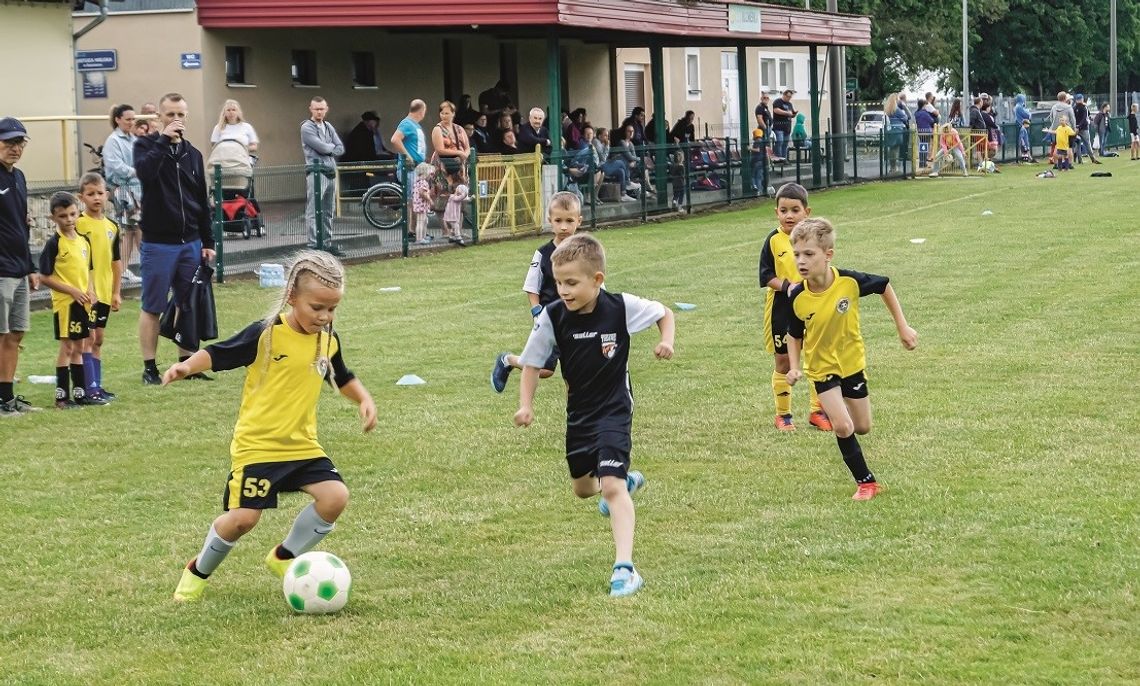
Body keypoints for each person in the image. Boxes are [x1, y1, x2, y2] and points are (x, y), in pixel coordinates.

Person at [167, 250, 377, 602]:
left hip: (303, 446)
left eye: (332, 309)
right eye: (317, 308)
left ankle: (284, 557)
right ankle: (197, 570)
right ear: (292, 296)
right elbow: (220, 353)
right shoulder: (267, 334)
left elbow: (341, 377)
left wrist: (364, 399)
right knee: (243, 520)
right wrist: (187, 366)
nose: (325, 317)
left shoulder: (327, 340)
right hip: (259, 447)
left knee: (335, 497)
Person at [512, 233, 675, 597]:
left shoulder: (620, 307)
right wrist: (526, 405)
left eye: (571, 283)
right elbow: (531, 363)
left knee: (612, 487)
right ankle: (620, 482)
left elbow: (665, 313)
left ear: (597, 280)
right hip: (579, 413)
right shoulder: (552, 317)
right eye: (558, 283)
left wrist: (667, 340)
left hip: (615, 408)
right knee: (584, 489)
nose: (563, 291)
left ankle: (625, 569)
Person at [784, 218, 917, 501]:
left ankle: (840, 407)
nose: (801, 261)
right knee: (843, 426)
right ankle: (866, 482)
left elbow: (884, 286)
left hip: (852, 363)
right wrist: (795, 367)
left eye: (809, 254)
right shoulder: (796, 295)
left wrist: (902, 327)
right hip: (821, 369)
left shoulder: (849, 281)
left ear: (828, 254)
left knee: (863, 427)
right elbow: (794, 334)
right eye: (797, 254)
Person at [133, 92, 216, 386]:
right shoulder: (146, 147)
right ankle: (149, 367)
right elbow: (145, 174)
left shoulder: (193, 154)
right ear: (159, 118)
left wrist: (208, 242)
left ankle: (186, 363)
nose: (176, 120)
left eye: (181, 115)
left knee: (188, 302)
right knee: (153, 305)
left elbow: (201, 202)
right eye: (170, 115)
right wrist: (162, 141)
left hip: (191, 242)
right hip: (158, 243)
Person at [491, 191, 584, 391]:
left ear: (579, 221)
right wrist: (536, 312)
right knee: (543, 370)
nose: (564, 226)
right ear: (550, 220)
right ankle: (508, 360)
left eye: (569, 220)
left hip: (578, 322)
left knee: (576, 374)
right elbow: (532, 287)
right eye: (558, 220)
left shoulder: (585, 252)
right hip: (550, 320)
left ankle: (577, 418)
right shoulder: (543, 254)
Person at [758, 183, 829, 432]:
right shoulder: (774, 240)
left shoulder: (816, 240)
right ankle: (783, 415)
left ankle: (817, 411)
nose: (789, 215)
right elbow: (766, 276)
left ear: (806, 212)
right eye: (784, 210)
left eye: (795, 210)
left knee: (816, 357)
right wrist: (787, 286)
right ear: (776, 212)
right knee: (783, 361)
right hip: (781, 309)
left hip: (811, 305)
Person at [37, 192, 107, 409]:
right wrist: (72, 291)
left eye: (72, 214)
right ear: (53, 218)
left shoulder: (84, 241)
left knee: (80, 346)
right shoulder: (54, 244)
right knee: (67, 348)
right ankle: (61, 398)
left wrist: (90, 290)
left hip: (83, 304)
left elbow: (88, 270)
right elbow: (44, 277)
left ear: (77, 213)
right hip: (65, 304)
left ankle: (80, 393)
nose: (68, 219)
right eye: (63, 216)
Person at [0, 118, 40, 416]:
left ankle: (7, 398)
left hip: (18, 268)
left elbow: (21, 226)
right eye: (9, 142)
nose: (15, 148)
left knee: (15, 334)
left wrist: (30, 267)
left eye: (19, 143)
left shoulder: (19, 177)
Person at [75, 173, 122, 402]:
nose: (96, 198)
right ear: (81, 197)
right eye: (90, 194)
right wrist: (87, 287)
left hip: (104, 291)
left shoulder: (112, 226)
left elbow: (116, 262)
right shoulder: (79, 224)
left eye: (100, 193)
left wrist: (116, 292)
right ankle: (88, 387)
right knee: (88, 338)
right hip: (87, 292)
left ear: (107, 195)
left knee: (99, 338)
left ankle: (97, 385)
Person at [102, 104, 142, 284]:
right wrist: (135, 171)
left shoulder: (132, 138)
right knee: (130, 230)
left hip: (137, 189)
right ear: (118, 120)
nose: (131, 122)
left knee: (133, 229)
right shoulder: (113, 140)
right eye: (128, 119)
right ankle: (124, 269)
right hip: (123, 190)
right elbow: (114, 165)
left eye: (133, 119)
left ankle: (125, 268)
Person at [300, 96, 345, 256]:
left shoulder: (328, 126)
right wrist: (330, 148)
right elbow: (321, 147)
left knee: (328, 209)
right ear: (311, 109)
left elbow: (340, 147)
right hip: (316, 173)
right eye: (316, 109)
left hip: (330, 172)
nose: (319, 112)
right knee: (313, 209)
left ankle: (326, 243)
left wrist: (329, 148)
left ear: (326, 109)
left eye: (322, 109)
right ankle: (313, 245)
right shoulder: (307, 127)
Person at [431, 100, 471, 183]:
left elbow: (467, 147)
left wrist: (464, 156)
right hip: (444, 165)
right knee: (444, 191)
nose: (444, 116)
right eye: (442, 113)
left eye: (447, 113)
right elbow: (440, 150)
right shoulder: (438, 129)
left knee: (462, 191)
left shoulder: (460, 129)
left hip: (460, 165)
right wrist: (459, 153)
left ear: (453, 113)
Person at [390, 99, 428, 171]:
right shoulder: (407, 123)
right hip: (409, 169)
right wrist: (407, 157)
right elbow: (395, 139)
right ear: (421, 111)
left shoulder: (416, 125)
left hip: (418, 167)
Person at [1071, 94, 1099, 164]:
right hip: (1083, 128)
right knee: (1086, 143)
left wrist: (1076, 126)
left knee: (1078, 144)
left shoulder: (1074, 107)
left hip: (1077, 128)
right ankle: (1091, 159)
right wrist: (1078, 126)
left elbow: (1074, 118)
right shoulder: (1083, 107)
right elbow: (1084, 118)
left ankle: (1081, 159)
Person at [411, 162, 434, 245]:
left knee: (424, 221)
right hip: (421, 205)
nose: (431, 176)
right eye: (430, 174)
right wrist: (430, 200)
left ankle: (423, 236)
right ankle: (419, 238)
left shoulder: (418, 181)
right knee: (421, 221)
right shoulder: (423, 182)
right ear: (426, 172)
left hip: (420, 205)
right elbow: (422, 193)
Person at [771, 90, 797, 159]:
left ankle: (784, 159)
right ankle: (778, 159)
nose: (789, 98)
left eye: (790, 97)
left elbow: (791, 113)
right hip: (779, 126)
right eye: (788, 96)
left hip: (787, 127)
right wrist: (787, 113)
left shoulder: (790, 104)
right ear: (784, 95)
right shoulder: (778, 102)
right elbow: (776, 110)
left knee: (785, 144)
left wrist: (793, 114)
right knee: (779, 142)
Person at [750, 126, 767, 194]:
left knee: (753, 175)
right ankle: (759, 191)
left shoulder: (757, 141)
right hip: (762, 161)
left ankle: (754, 186)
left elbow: (757, 150)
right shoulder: (763, 141)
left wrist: (749, 149)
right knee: (759, 177)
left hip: (756, 161)